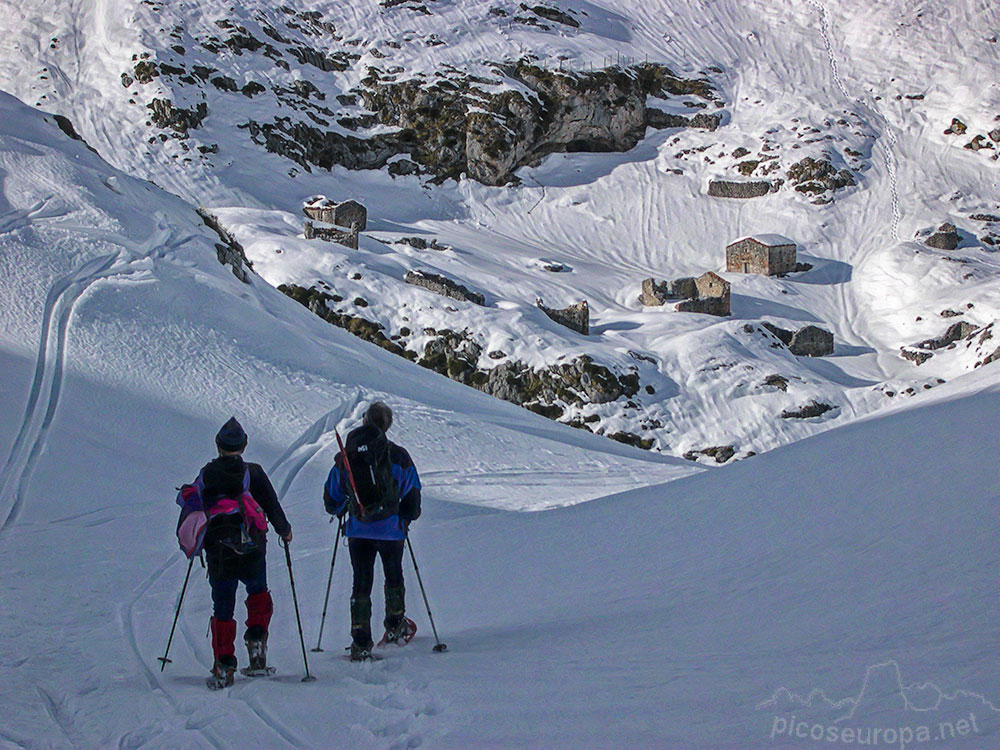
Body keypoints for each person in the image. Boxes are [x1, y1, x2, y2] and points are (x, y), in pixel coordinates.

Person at [196, 417, 292, 686]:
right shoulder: (254, 473)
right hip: (252, 548)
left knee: (223, 605)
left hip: (218, 551)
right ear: (244, 445)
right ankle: (257, 649)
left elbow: (196, 509)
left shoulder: (205, 474)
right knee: (258, 593)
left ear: (218, 445)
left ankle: (224, 665)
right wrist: (284, 531)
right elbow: (272, 506)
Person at [323, 401, 421, 660]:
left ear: (365, 421)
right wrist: (405, 517)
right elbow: (413, 500)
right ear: (386, 426)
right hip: (392, 530)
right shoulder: (399, 455)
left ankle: (361, 641)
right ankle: (395, 626)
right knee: (393, 576)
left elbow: (331, 500)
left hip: (359, 530)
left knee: (361, 582)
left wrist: (345, 508)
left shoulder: (348, 457)